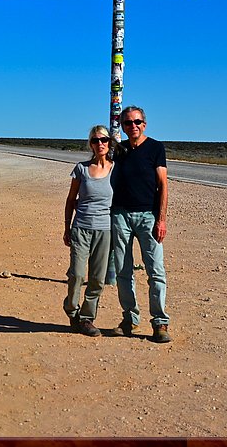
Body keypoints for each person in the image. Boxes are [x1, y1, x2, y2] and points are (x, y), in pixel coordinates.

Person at [109, 106, 172, 343]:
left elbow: (163, 185)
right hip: (120, 216)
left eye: (136, 122)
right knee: (123, 272)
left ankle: (160, 322)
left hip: (148, 216)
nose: (132, 126)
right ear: (123, 127)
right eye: (127, 123)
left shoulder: (155, 148)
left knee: (155, 270)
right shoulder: (120, 150)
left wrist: (162, 219)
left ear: (144, 124)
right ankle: (129, 319)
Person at [63, 125, 115, 337]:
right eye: (95, 140)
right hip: (81, 228)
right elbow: (70, 200)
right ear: (90, 144)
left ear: (109, 142)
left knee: (97, 278)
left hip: (106, 230)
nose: (100, 144)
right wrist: (67, 227)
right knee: (76, 274)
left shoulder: (116, 170)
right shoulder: (81, 169)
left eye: (103, 139)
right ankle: (71, 308)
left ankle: (87, 319)